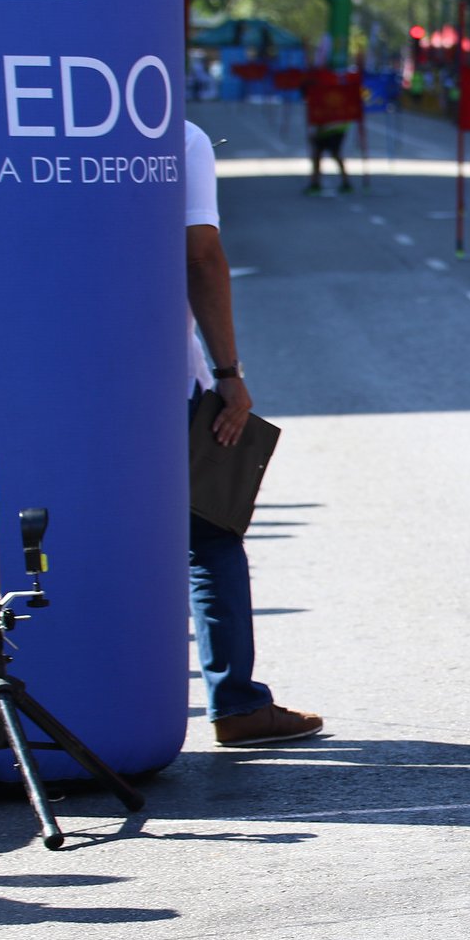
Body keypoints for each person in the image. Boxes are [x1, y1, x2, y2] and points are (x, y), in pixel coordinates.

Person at [184, 120, 325, 747]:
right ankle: (236, 705)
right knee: (210, 537)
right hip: (160, 382)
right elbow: (200, 255)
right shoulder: (176, 137)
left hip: (43, 384)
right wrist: (229, 375)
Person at [305, 118, 351, 195]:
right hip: (323, 130)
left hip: (335, 129)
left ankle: (346, 183)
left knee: (335, 154)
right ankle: (315, 183)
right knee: (317, 155)